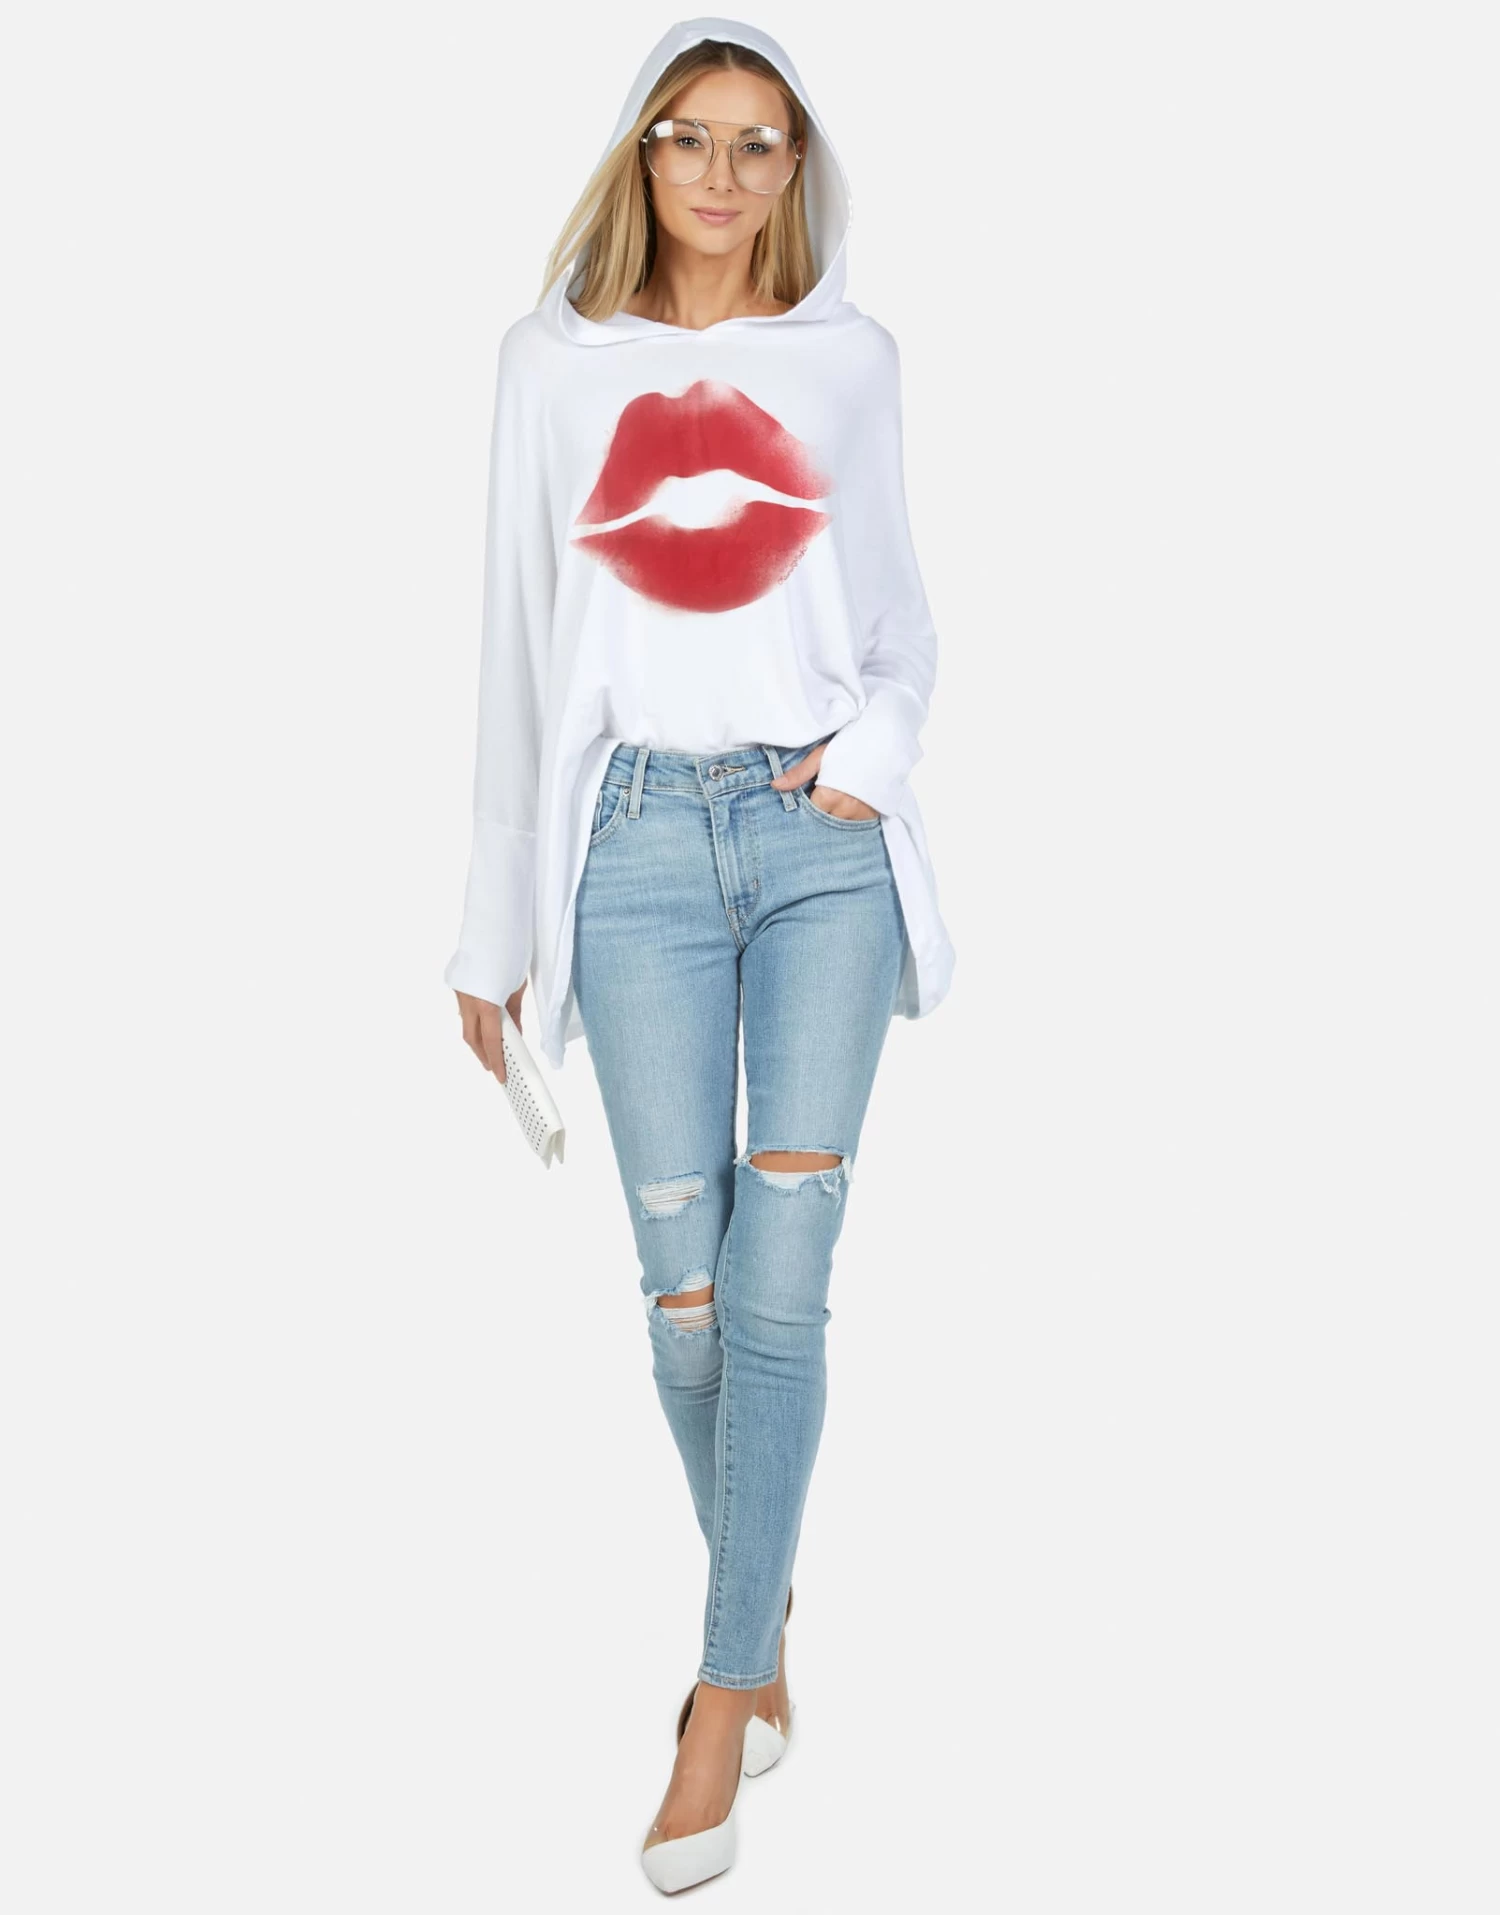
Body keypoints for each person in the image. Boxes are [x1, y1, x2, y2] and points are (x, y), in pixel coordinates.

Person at [445, 16, 955, 1895]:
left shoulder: (850, 363)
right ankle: (772, 1594)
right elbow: (515, 641)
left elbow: (901, 626)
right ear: (638, 152)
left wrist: (872, 756)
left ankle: (723, 1697)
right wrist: (491, 925)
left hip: (820, 849)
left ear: (796, 165)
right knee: (686, 1298)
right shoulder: (550, 368)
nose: (722, 177)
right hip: (636, 853)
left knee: (782, 1282)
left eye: (758, 143)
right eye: (688, 137)